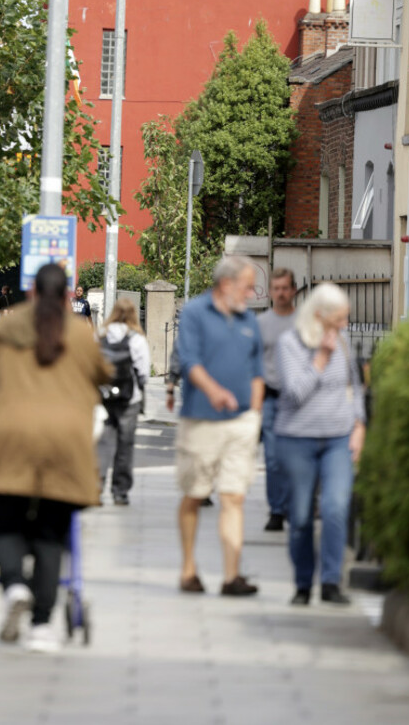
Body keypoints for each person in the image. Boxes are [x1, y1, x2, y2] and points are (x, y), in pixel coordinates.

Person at [0, 264, 112, 653]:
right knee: (51, 533)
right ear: (66, 296)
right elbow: (103, 375)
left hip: (7, 440)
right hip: (64, 446)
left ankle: (13, 587)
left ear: (31, 291)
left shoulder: (4, 329)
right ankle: (42, 626)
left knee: (0, 520)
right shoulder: (80, 334)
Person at [175, 255, 264, 597]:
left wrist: (254, 414)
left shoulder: (249, 321)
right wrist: (214, 391)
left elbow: (257, 371)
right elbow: (189, 361)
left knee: (234, 497)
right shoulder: (196, 313)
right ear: (226, 285)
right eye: (247, 286)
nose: (251, 293)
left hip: (241, 422)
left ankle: (231, 576)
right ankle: (188, 569)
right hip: (201, 420)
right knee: (195, 495)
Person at [275, 282, 366, 606]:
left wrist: (359, 426)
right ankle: (303, 584)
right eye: (338, 319)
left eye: (345, 319)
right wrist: (321, 358)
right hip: (297, 439)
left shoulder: (340, 340)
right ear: (319, 316)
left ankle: (330, 582)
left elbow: (353, 386)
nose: (344, 325)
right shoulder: (290, 343)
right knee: (300, 516)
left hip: (338, 439)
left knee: (335, 508)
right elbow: (295, 393)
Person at [97, 298, 151, 506]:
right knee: (125, 444)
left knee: (103, 442)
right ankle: (120, 491)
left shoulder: (100, 335)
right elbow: (143, 372)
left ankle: (97, 486)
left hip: (104, 396)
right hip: (130, 398)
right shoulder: (136, 338)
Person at [257, 268, 297, 531]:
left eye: (285, 288)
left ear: (293, 290)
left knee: (295, 457)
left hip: (299, 400)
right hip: (270, 397)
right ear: (271, 292)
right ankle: (277, 510)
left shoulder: (304, 322)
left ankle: (296, 504)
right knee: (272, 458)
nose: (281, 293)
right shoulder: (261, 324)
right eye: (276, 288)